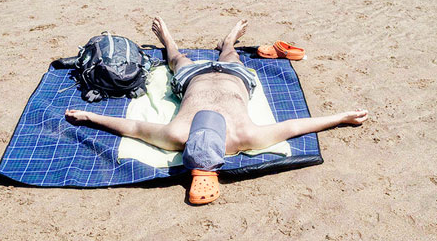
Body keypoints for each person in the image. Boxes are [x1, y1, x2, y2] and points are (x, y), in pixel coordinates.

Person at [65, 17, 368, 204]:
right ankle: (227, 42)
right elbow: (294, 126)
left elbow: (132, 127)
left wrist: (90, 116)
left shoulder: (176, 134)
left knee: (177, 60)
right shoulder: (244, 136)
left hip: (193, 79)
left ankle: (171, 40)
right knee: (230, 55)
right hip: (235, 78)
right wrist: (341, 117)